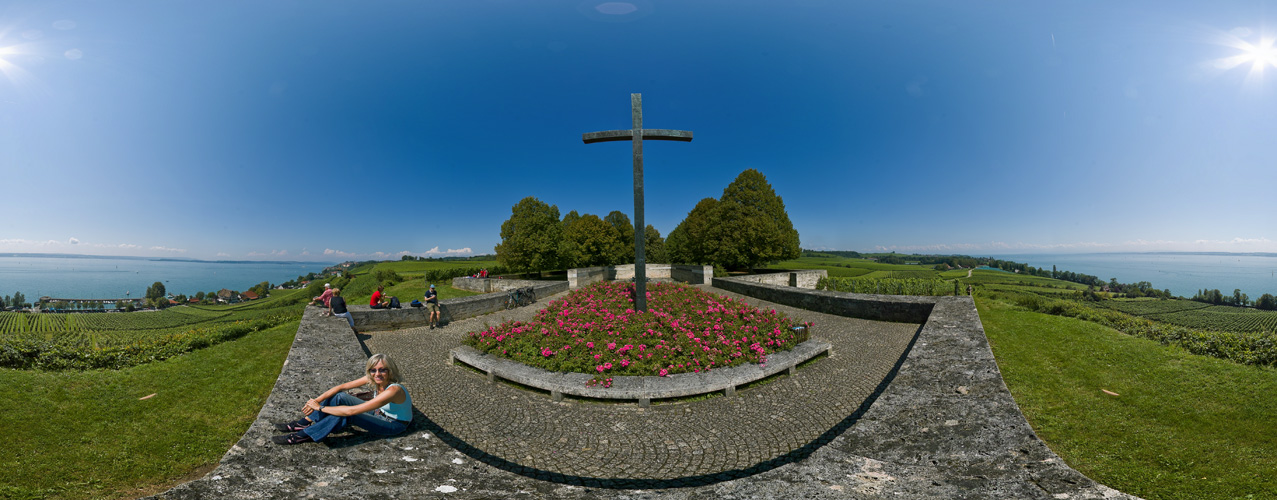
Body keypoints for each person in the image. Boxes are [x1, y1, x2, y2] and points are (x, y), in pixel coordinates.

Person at [271, 353, 413, 445]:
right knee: (340, 397)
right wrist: (315, 401)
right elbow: (342, 387)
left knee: (345, 415)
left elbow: (353, 411)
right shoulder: (375, 378)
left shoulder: (394, 390)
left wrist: (320, 408)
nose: (377, 373)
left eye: (383, 369)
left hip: (393, 424)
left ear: (390, 371)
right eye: (373, 370)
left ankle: (302, 435)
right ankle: (304, 423)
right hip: (378, 413)